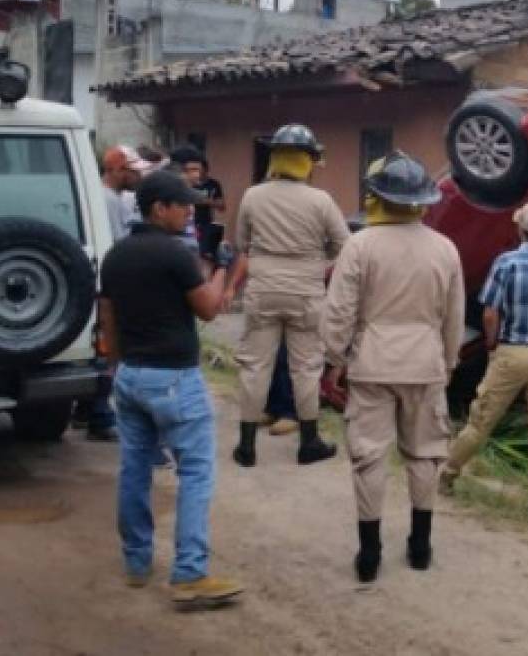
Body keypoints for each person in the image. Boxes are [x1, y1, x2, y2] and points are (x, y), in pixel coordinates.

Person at [98, 170, 244, 609]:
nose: (188, 212)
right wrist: (221, 268)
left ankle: (137, 563)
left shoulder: (116, 255)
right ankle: (189, 573)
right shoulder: (176, 255)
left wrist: (117, 366)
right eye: (182, 205)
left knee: (136, 468)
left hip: (131, 375)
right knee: (196, 471)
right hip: (175, 378)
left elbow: (108, 317)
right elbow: (210, 310)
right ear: (158, 208)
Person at [321, 152, 464, 582]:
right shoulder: (445, 249)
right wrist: (450, 362)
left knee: (369, 457)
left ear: (378, 197)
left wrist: (334, 358)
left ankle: (369, 554)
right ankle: (420, 546)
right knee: (425, 456)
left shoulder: (360, 245)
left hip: (372, 365)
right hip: (426, 364)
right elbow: (453, 319)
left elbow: (339, 311)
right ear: (422, 200)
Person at [439, 201, 528, 518]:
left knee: (481, 423)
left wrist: (491, 344)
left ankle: (448, 475)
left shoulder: (505, 263)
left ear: (520, 229)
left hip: (510, 352)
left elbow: (490, 312)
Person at [229, 123, 348, 467]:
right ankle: (309, 442)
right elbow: (344, 246)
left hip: (263, 287)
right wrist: (317, 260)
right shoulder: (321, 201)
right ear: (308, 161)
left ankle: (247, 447)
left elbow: (242, 243)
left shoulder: (253, 195)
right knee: (306, 367)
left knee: (255, 366)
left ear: (276, 158)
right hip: (306, 291)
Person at [78, 145, 152, 442]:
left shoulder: (123, 198)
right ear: (116, 170)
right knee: (108, 347)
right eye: (133, 170)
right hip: (109, 281)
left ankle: (87, 410)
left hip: (114, 278)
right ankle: (99, 413)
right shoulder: (103, 199)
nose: (137, 176)